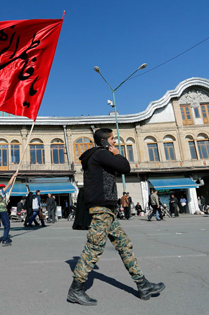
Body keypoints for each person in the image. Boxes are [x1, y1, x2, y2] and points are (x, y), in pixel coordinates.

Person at [68, 128, 164, 305]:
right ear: (104, 141)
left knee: (124, 244)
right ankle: (76, 290)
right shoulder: (100, 154)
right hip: (101, 208)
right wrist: (118, 154)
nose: (115, 142)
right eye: (112, 139)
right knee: (94, 247)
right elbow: (124, 167)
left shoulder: (99, 156)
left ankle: (142, 285)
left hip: (108, 209)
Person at [0, 172, 17, 246]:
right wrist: (13, 176)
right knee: (7, 225)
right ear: (3, 188)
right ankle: (5, 240)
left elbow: (3, 201)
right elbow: (9, 184)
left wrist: (7, 201)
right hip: (2, 211)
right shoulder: (2, 191)